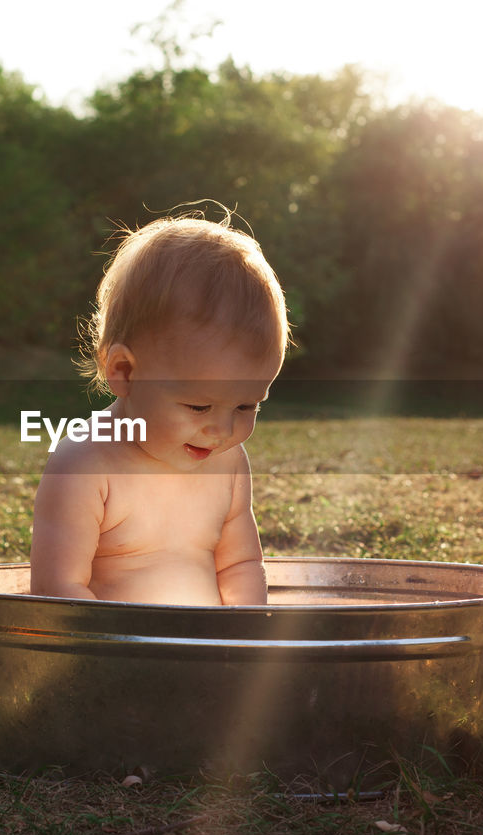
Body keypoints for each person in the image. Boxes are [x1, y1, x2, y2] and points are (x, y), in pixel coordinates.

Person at [29, 213, 290, 605]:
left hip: (208, 655)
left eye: (246, 405)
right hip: (114, 654)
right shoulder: (86, 462)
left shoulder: (227, 462)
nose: (221, 429)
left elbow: (240, 564)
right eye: (199, 406)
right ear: (124, 372)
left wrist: (246, 633)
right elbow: (58, 591)